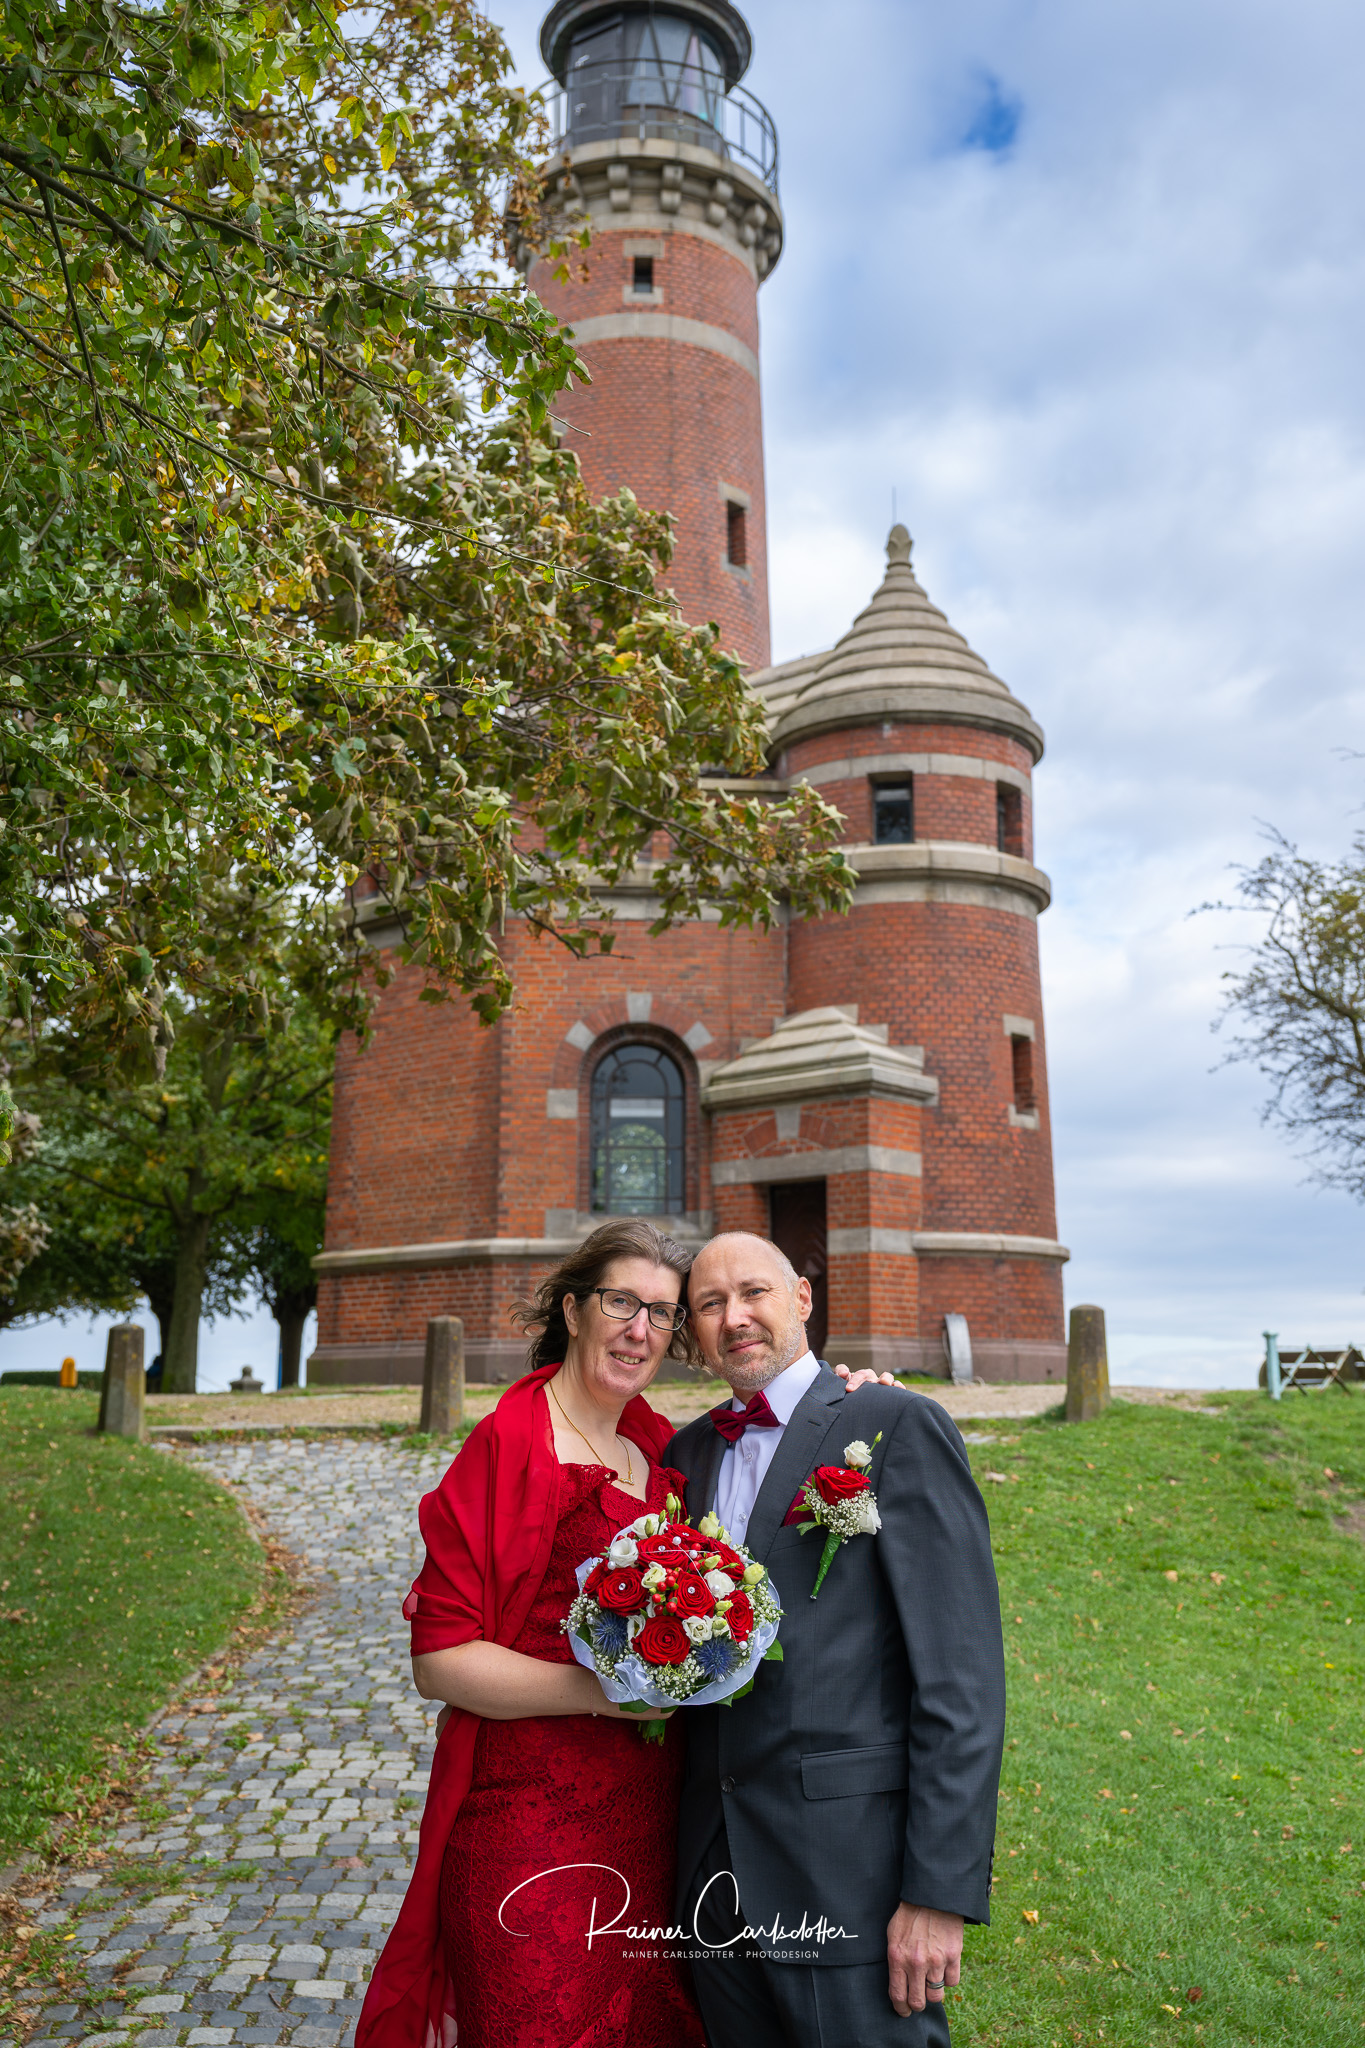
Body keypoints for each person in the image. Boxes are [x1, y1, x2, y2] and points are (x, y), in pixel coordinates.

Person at [356, 1219, 903, 2048]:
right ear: (573, 1310)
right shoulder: (509, 1444)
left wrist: (851, 1400)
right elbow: (439, 1660)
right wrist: (608, 1694)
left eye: (662, 1311)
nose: (639, 1329)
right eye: (619, 1302)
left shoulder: (660, 1444)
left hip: (655, 1825)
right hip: (531, 1821)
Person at [666, 1231, 1007, 2048]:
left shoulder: (894, 1424)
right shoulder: (685, 1453)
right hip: (712, 1868)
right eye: (709, 1304)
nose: (733, 1317)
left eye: (753, 1292)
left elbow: (959, 1677)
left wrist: (937, 1892)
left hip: (848, 1870)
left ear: (802, 1299)